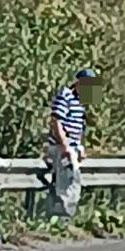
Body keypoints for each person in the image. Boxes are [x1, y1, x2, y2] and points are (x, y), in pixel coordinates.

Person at [44, 68, 100, 218]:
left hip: (72, 147)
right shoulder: (66, 96)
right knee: (69, 182)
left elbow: (79, 127)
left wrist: (80, 147)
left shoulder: (80, 101)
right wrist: (65, 145)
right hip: (63, 148)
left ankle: (64, 214)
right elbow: (56, 120)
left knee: (71, 181)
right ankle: (64, 216)